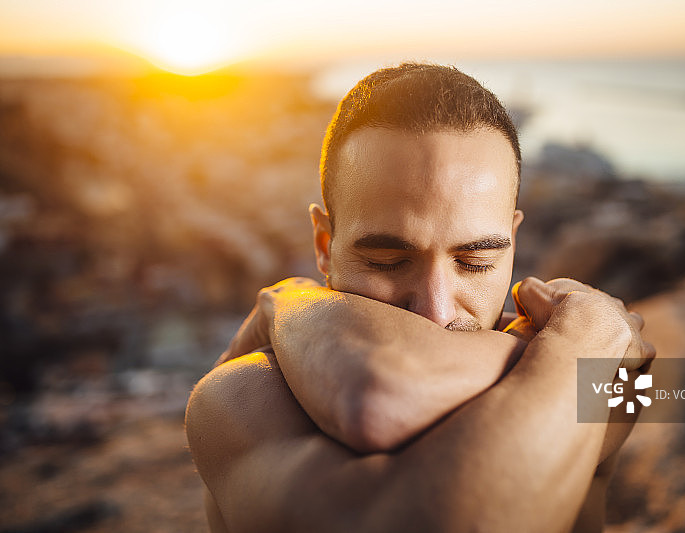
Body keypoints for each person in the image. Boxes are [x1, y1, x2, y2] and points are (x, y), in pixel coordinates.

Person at [185, 63, 655, 533]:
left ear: (511, 242)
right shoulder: (234, 401)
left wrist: (287, 305)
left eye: (474, 262)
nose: (436, 312)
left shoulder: (613, 382)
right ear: (325, 247)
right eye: (387, 261)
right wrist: (585, 338)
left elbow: (635, 395)